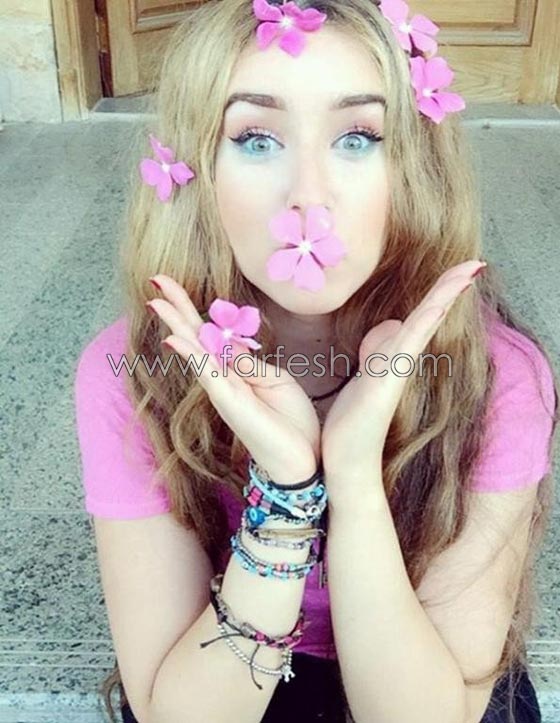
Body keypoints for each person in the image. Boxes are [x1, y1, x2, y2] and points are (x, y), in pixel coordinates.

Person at [73, 1, 558, 722]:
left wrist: (354, 474)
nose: (308, 196)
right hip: (228, 662)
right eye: (256, 138)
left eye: (358, 137)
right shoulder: (135, 371)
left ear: (415, 170)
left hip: (422, 674)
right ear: (194, 170)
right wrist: (286, 493)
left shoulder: (497, 377)